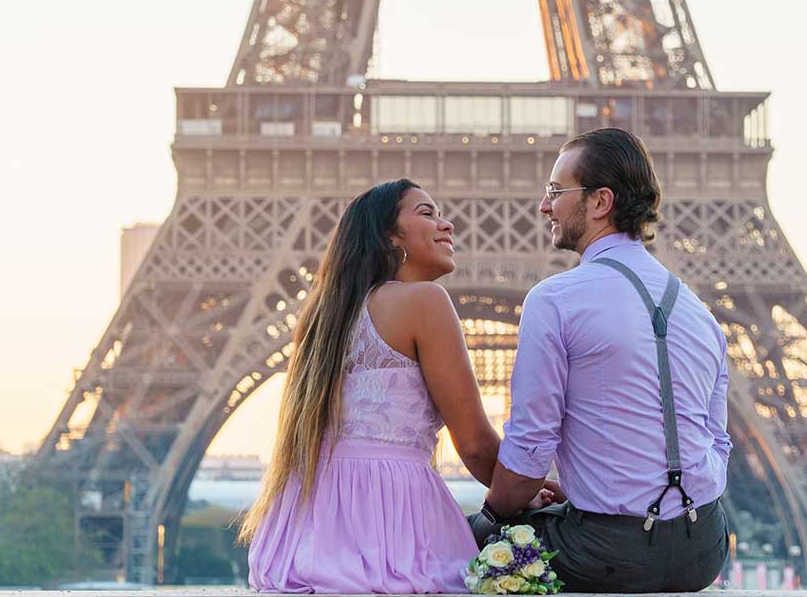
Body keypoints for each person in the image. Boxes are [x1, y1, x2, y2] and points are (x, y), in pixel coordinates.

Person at [240, 179, 552, 593]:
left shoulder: (324, 317)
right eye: (427, 214)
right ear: (389, 237)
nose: (448, 225)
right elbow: (475, 444)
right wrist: (528, 488)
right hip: (390, 520)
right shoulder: (425, 301)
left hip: (307, 528)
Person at [472, 128, 732, 592]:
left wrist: (489, 516)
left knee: (469, 546)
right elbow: (717, 442)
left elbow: (532, 446)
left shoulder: (556, 299)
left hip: (609, 553)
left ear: (599, 202)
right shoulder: (700, 313)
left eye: (555, 191)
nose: (544, 206)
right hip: (704, 548)